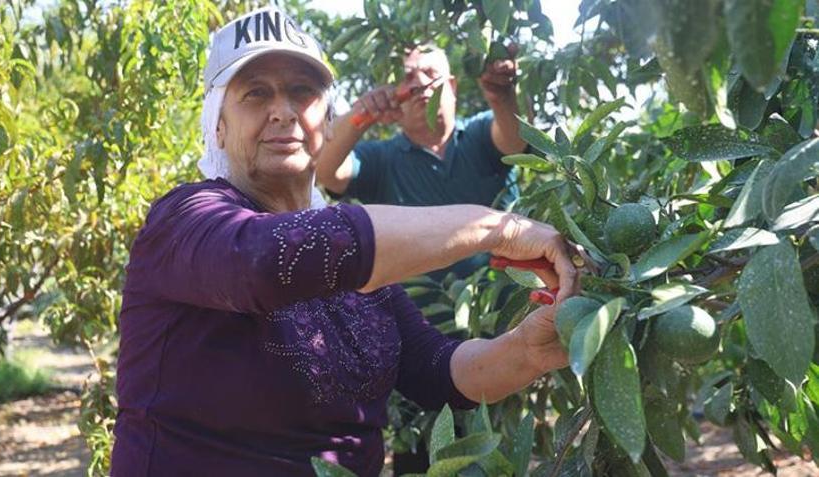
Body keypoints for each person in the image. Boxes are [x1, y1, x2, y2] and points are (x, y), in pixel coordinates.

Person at [110, 6, 580, 476]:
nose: (283, 110)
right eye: (255, 94)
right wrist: (498, 229)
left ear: (326, 119)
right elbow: (260, 261)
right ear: (218, 124)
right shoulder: (184, 220)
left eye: (302, 91)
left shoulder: (358, 270)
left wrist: (526, 349)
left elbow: (438, 370)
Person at [315, 44, 526, 278]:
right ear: (394, 95)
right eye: (407, 78)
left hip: (510, 307)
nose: (419, 83)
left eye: (431, 73)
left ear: (452, 87)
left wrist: (502, 97)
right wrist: (363, 114)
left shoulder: (481, 133)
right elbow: (326, 172)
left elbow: (514, 140)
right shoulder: (381, 160)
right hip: (420, 312)